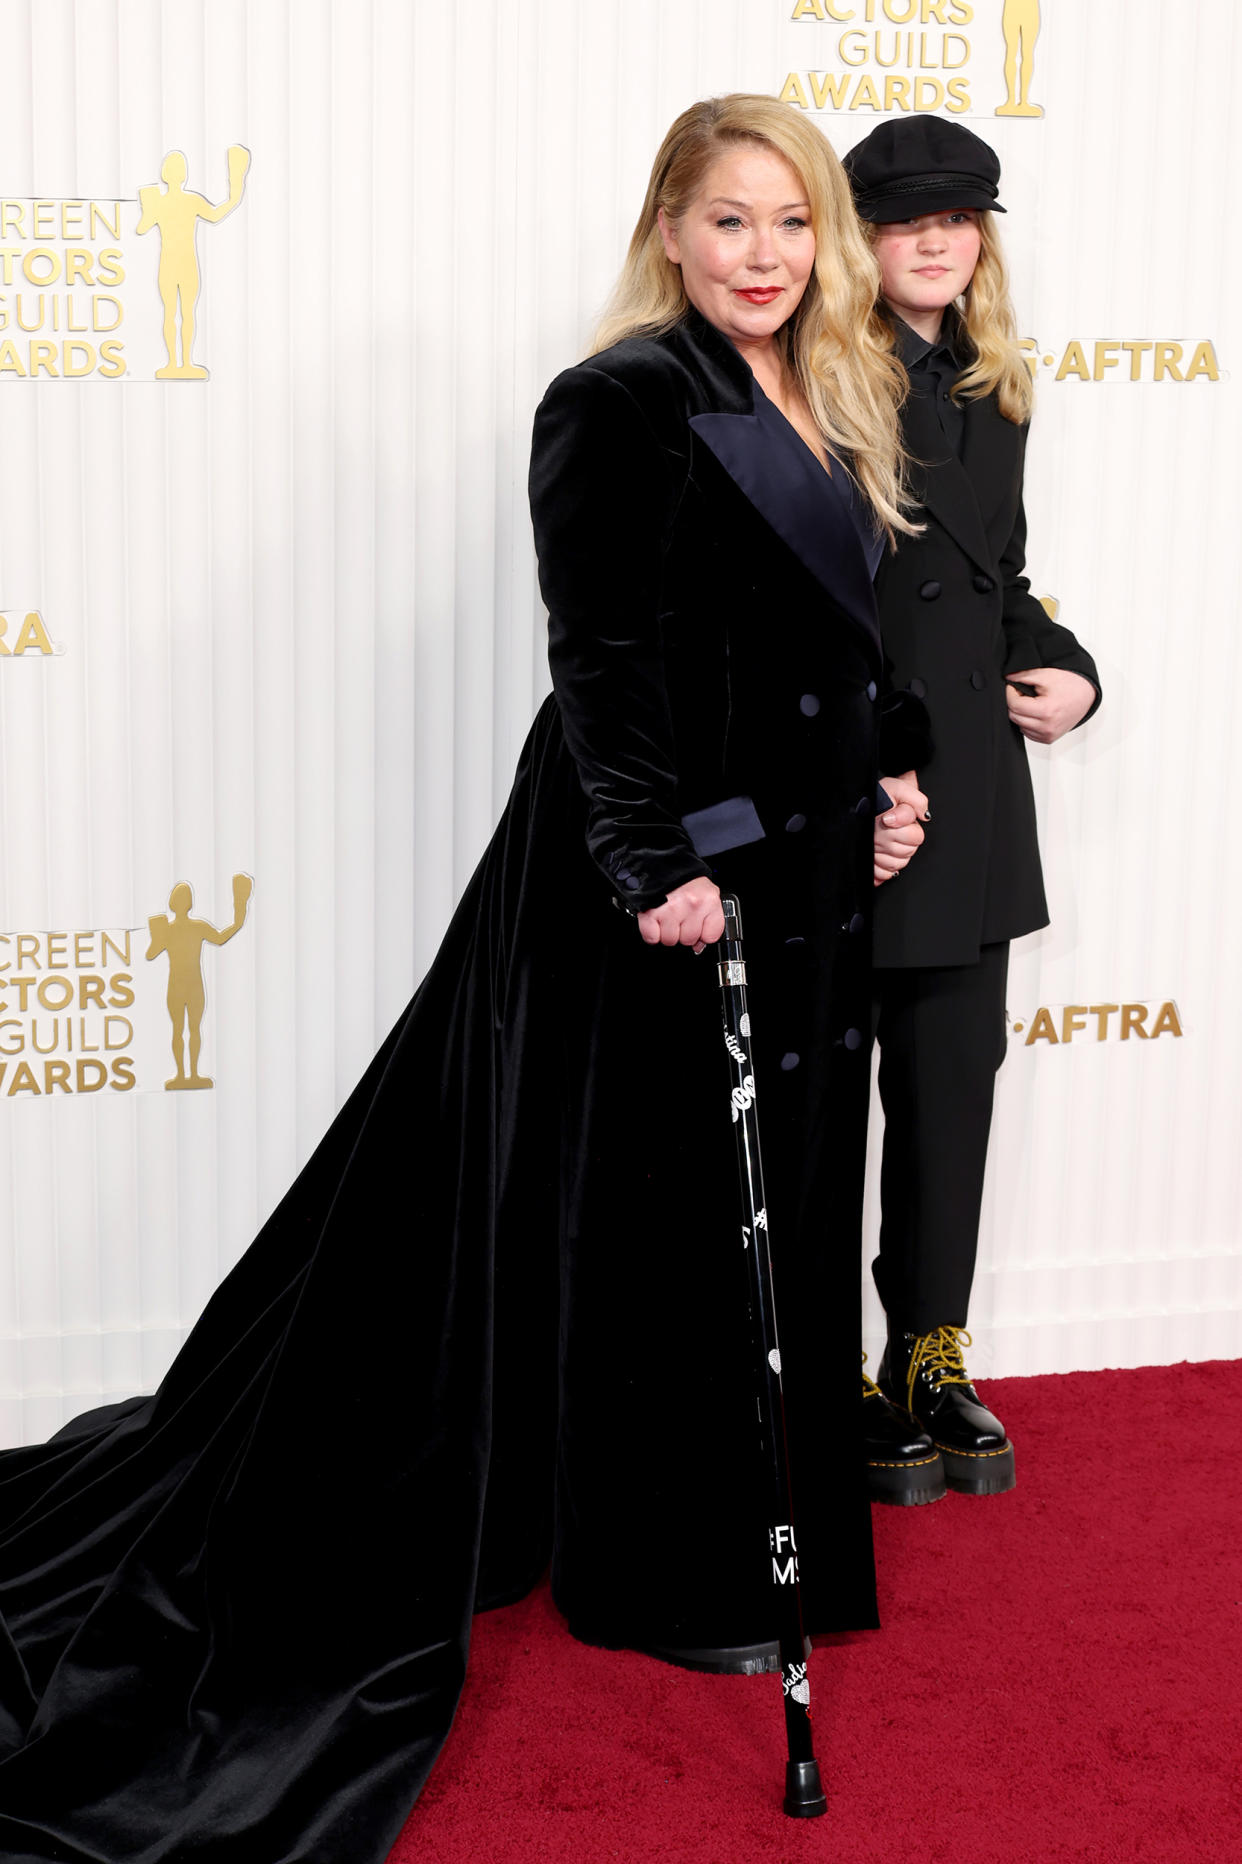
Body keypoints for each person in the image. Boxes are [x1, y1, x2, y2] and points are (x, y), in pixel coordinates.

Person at [0, 97, 924, 1863]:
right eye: (728, 223)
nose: (762, 256)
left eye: (791, 226)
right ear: (667, 229)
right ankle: (664, 1568)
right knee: (669, 1216)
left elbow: (832, 638)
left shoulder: (837, 390)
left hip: (803, 872)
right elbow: (606, 652)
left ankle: (776, 1523)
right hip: (661, 872)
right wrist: (655, 861)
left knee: (788, 1196)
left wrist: (888, 769)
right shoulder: (618, 401)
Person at [842, 118, 1100, 1506]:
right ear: (857, 233)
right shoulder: (810, 375)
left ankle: (924, 1356)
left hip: (971, 804)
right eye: (904, 218)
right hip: (845, 798)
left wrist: (1069, 667)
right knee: (818, 1115)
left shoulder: (993, 387)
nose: (936, 239)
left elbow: (997, 580)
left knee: (948, 1100)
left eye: (959, 217)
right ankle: (818, 1365)